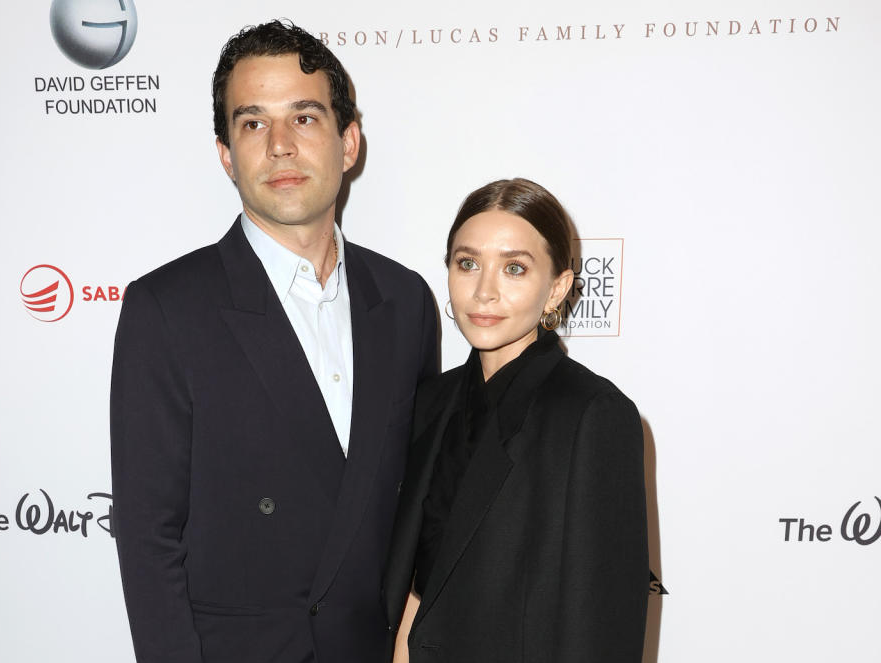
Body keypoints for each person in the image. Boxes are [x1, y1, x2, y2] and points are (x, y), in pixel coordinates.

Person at [110, 20, 438, 663]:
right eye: (253, 123)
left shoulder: (405, 300)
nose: (281, 146)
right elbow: (148, 541)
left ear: (349, 143)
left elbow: (418, 504)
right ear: (227, 154)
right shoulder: (167, 309)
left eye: (305, 118)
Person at [383, 178, 648, 663]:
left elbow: (600, 623)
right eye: (468, 264)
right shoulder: (429, 403)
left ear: (557, 289)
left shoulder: (592, 415)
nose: (484, 292)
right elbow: (416, 584)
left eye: (514, 268)